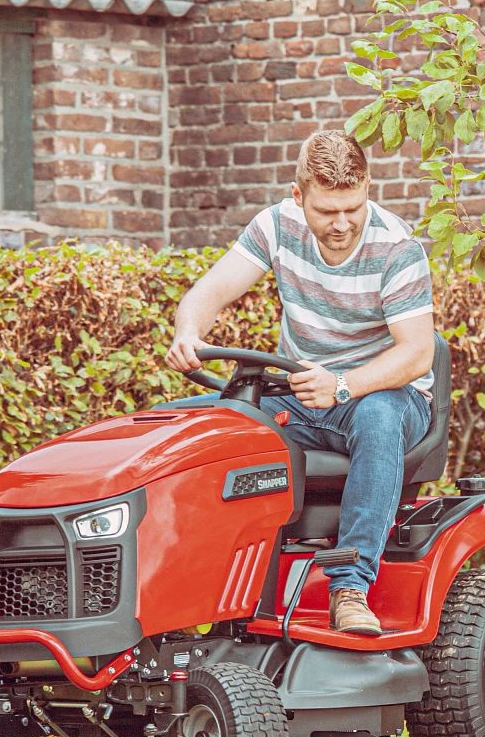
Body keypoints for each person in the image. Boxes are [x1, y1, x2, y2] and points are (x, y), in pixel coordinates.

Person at [166, 130, 434, 636]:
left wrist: (344, 384)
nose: (342, 223)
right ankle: (180, 584)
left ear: (368, 187)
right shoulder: (277, 226)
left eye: (352, 208)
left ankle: (350, 587)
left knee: (378, 415)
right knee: (183, 423)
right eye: (327, 211)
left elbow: (416, 352)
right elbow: (211, 289)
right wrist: (188, 331)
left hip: (386, 396)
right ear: (298, 196)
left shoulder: (397, 248)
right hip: (303, 395)